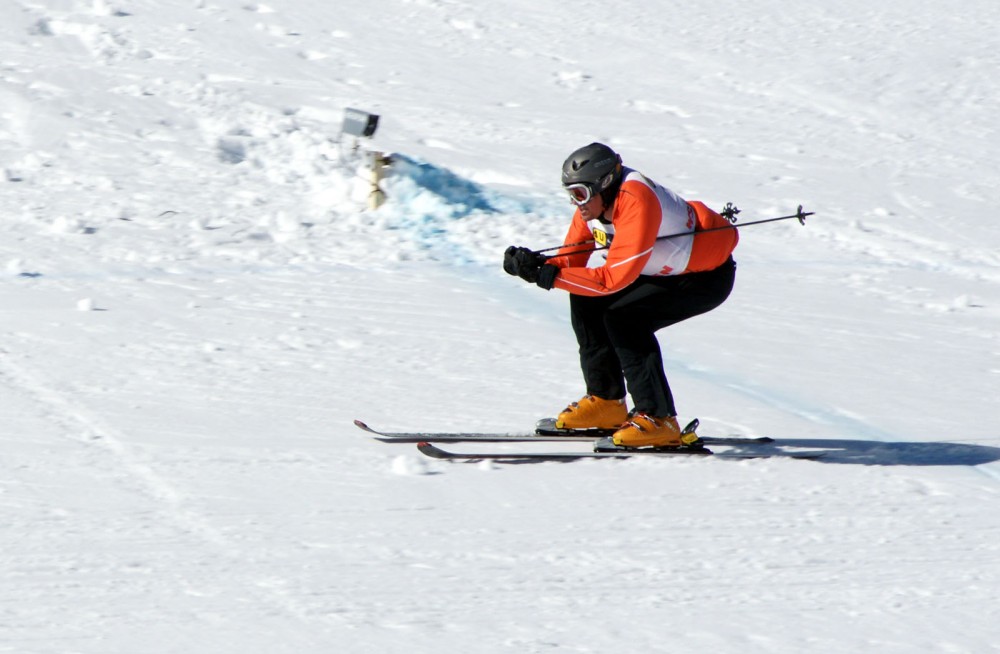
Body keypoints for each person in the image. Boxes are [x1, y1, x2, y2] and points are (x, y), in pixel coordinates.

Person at [503, 142, 738, 449]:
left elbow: (610, 280)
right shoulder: (593, 208)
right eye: (571, 194)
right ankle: (606, 402)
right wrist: (535, 266)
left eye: (581, 194)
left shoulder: (635, 200)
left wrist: (548, 276)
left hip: (704, 279)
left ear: (604, 186)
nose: (577, 204)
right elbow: (572, 262)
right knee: (584, 297)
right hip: (659, 272)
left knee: (626, 319)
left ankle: (659, 419)